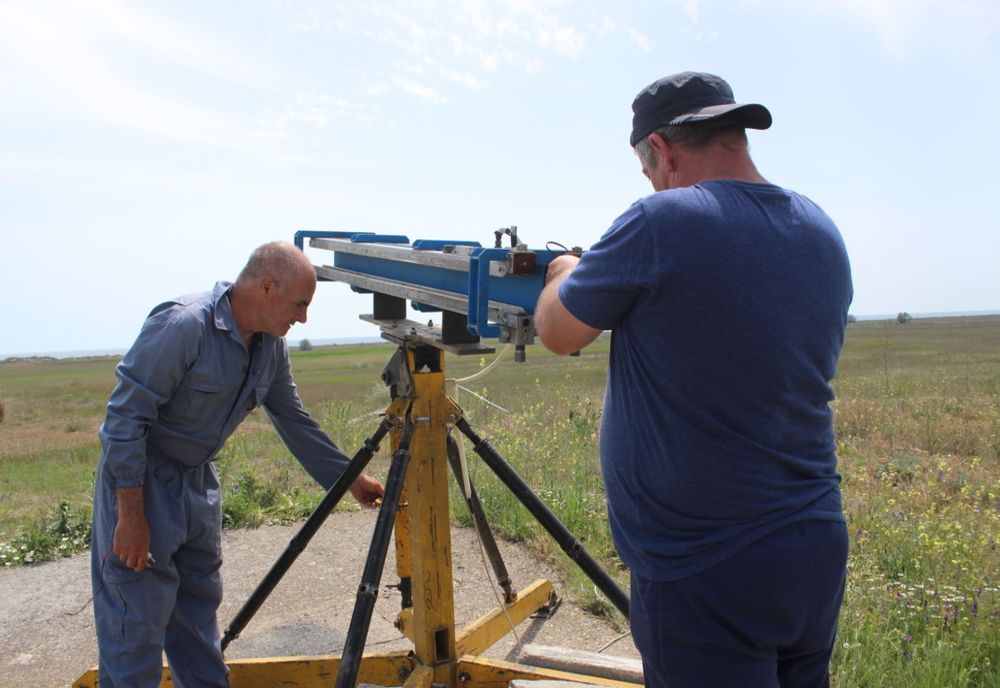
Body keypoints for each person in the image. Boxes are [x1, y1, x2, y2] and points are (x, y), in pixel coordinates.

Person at [535, 72, 853, 687]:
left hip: (706, 560)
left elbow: (558, 331)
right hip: (812, 540)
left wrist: (562, 270)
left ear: (663, 148)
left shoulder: (663, 220)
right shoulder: (820, 228)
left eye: (647, 167)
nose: (651, 181)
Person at [91, 241, 385, 687]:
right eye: (300, 304)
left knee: (197, 627)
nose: (303, 318)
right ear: (267, 287)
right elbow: (124, 420)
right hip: (144, 485)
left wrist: (350, 480)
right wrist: (130, 515)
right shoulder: (183, 326)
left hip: (197, 486)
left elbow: (294, 420)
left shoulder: (270, 348)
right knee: (135, 630)